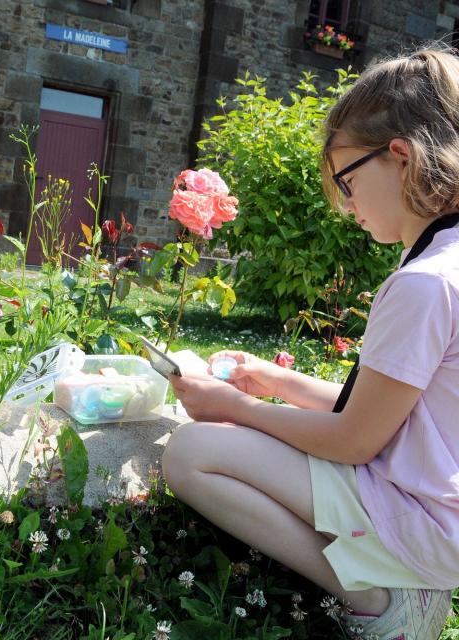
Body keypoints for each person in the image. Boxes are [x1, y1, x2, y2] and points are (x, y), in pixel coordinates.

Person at [162, 46, 459, 640]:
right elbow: (388, 416)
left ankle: (382, 596)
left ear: (400, 157)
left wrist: (236, 408)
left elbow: (353, 441)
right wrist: (275, 381)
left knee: (189, 453)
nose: (347, 206)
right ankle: (396, 575)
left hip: (419, 522)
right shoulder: (444, 260)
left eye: (347, 182)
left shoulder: (424, 285)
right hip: (440, 515)